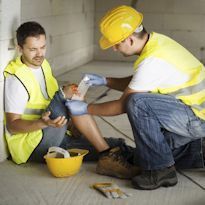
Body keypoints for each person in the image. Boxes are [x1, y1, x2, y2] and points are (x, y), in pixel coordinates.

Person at [65, 5, 205, 190]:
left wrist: (86, 109)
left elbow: (123, 105)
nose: (114, 49)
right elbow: (141, 81)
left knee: (137, 103)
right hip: (192, 112)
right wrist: (106, 81)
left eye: (116, 44)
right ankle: (199, 150)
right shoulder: (157, 43)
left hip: (196, 117)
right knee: (143, 156)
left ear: (129, 39)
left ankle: (161, 170)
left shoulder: (152, 60)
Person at [4, 21, 139, 179]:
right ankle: (105, 152)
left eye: (43, 47)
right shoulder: (17, 79)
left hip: (57, 137)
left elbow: (49, 102)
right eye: (33, 49)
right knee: (63, 94)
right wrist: (44, 122)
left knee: (116, 146)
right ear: (20, 49)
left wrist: (72, 122)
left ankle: (142, 160)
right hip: (33, 146)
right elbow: (12, 126)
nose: (39, 54)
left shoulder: (43, 65)